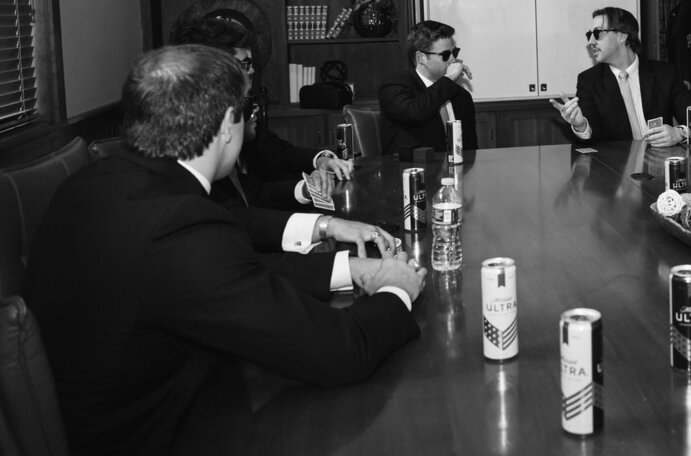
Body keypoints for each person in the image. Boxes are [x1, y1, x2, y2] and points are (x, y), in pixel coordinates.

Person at [24, 45, 426, 456]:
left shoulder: (97, 182)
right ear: (226, 125)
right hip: (161, 434)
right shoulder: (176, 224)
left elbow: (226, 277)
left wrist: (350, 267)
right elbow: (341, 352)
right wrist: (396, 288)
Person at [171, 15, 353, 212]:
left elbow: (264, 178)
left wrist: (318, 168)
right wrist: (323, 226)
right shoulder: (196, 157)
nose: (252, 71)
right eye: (245, 64)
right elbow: (243, 215)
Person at [552, 6, 691, 146]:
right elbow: (592, 140)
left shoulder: (665, 74)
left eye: (597, 34)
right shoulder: (589, 81)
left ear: (622, 37)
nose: (591, 41)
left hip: (659, 165)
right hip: (616, 168)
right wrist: (581, 126)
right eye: (589, 35)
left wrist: (679, 133)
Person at [379, 19, 478, 154]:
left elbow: (470, 150)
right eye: (445, 55)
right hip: (409, 171)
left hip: (455, 172)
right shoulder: (394, 85)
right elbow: (414, 113)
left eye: (454, 52)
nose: (453, 60)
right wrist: (448, 79)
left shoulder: (462, 96)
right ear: (421, 58)